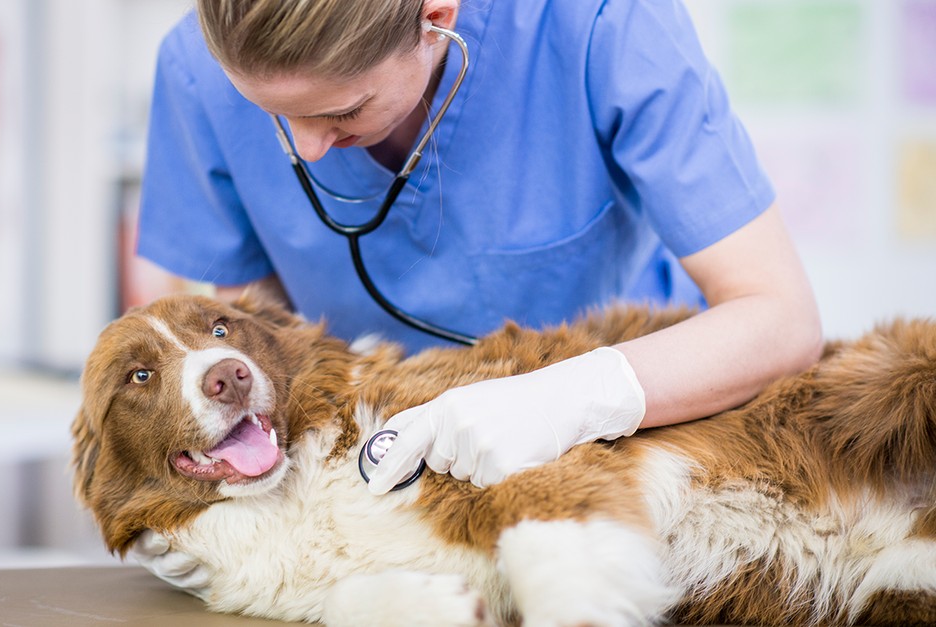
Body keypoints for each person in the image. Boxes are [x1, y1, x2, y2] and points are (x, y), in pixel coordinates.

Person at [132, 0, 822, 594]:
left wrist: (565, 399)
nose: (310, 150)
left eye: (343, 110)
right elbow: (260, 335)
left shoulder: (600, 25)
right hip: (383, 474)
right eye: (273, 114)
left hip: (636, 455)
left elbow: (780, 317)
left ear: (436, 18)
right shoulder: (198, 65)